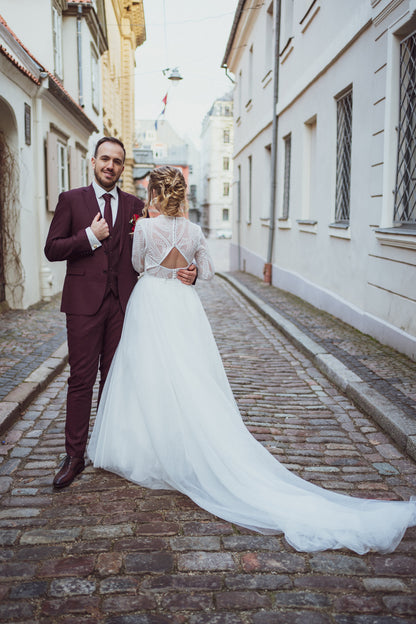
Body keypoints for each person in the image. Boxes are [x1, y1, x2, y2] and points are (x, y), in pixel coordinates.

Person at [87, 166, 416, 554]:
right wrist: (188, 271)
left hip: (152, 301)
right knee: (192, 377)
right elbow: (207, 271)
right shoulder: (193, 232)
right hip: (184, 306)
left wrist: (161, 258)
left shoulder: (143, 228)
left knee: (149, 376)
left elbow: (139, 266)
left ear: (155, 193)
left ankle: (150, 449)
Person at [45, 140, 197, 489]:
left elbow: (167, 242)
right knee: (81, 380)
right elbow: (52, 249)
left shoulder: (135, 206)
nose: (110, 166)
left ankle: (111, 448)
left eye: (117, 161)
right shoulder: (72, 200)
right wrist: (88, 236)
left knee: (117, 381)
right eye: (105, 159)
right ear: (93, 161)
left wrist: (191, 272)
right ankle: (74, 456)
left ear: (123, 167)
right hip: (83, 305)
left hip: (125, 306)